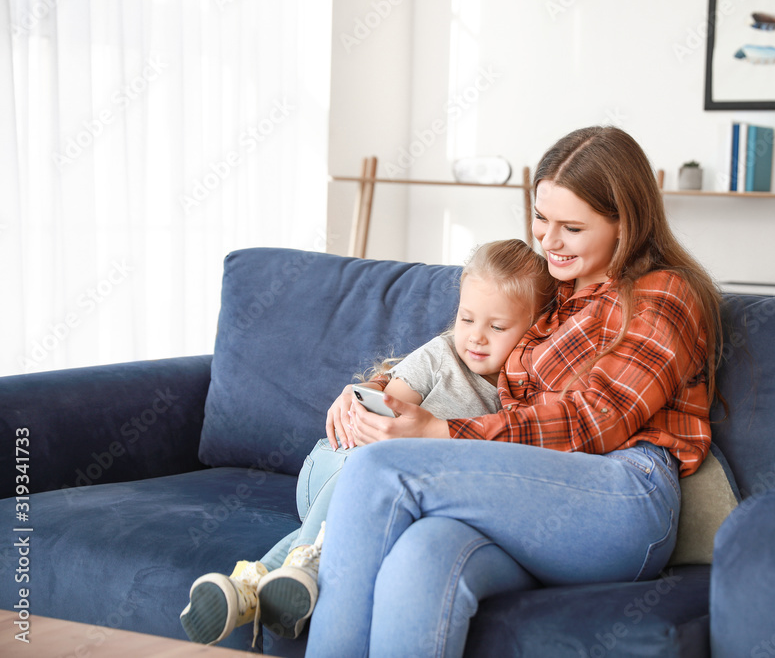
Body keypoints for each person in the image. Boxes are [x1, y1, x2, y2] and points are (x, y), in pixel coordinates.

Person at [306, 126, 724, 658]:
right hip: (532, 500)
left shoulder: (662, 294)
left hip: (622, 496)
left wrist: (439, 432)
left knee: (377, 470)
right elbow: (464, 349)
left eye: (571, 227)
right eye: (541, 218)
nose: (548, 241)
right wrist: (374, 389)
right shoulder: (551, 290)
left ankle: (288, 572)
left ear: (627, 226)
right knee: (424, 555)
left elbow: (592, 422)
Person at [179, 239, 558, 647]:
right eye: (466, 319)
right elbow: (378, 417)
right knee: (372, 471)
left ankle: (247, 588)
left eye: (497, 327)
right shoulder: (441, 356)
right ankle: (306, 563)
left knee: (385, 501)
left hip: (390, 497)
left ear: (536, 329)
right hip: (339, 461)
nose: (476, 338)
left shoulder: (522, 403)